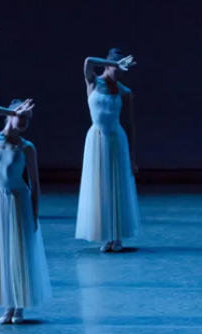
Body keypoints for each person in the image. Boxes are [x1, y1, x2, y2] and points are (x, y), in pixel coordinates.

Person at [0, 99, 52, 324]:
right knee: (1, 252)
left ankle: (19, 305)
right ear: (10, 114)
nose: (25, 121)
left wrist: (34, 214)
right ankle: (8, 305)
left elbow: (35, 183)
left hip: (18, 201)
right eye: (21, 116)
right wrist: (12, 110)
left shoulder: (27, 147)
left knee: (18, 251)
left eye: (28, 118)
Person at [76, 48, 140, 252]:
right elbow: (87, 60)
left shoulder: (124, 92)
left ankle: (117, 235)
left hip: (116, 139)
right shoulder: (93, 82)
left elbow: (129, 126)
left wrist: (131, 157)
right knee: (101, 186)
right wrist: (113, 62)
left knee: (117, 185)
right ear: (107, 65)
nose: (120, 71)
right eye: (116, 67)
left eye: (123, 68)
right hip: (96, 140)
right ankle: (106, 235)